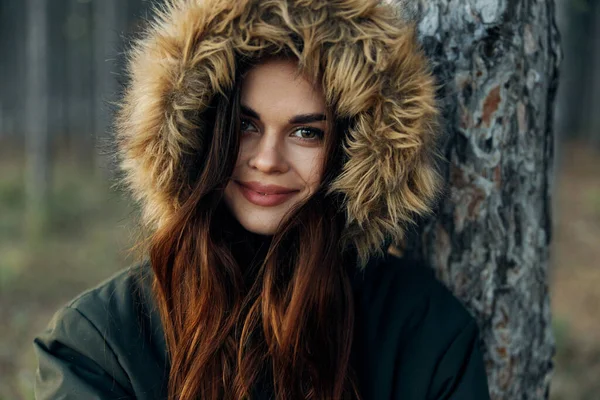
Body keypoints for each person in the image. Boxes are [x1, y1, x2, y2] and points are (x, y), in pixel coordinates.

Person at [33, 0, 491, 399]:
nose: (267, 160)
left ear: (357, 149)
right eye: (246, 125)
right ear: (201, 131)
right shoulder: (100, 341)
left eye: (306, 132)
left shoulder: (422, 331)